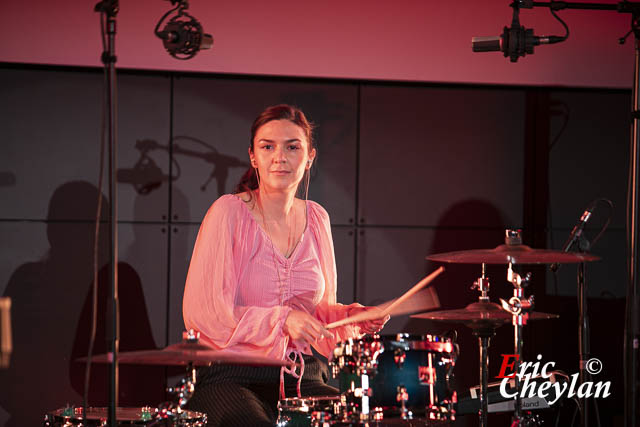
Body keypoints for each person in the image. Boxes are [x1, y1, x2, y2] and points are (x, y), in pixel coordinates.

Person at [182, 104, 388, 426]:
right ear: (253, 157)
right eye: (268, 147)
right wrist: (282, 320)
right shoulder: (228, 212)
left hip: (299, 374)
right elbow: (204, 313)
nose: (280, 157)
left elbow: (318, 314)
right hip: (231, 375)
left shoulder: (318, 218)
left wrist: (350, 317)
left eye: (293, 147)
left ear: (309, 158)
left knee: (353, 418)